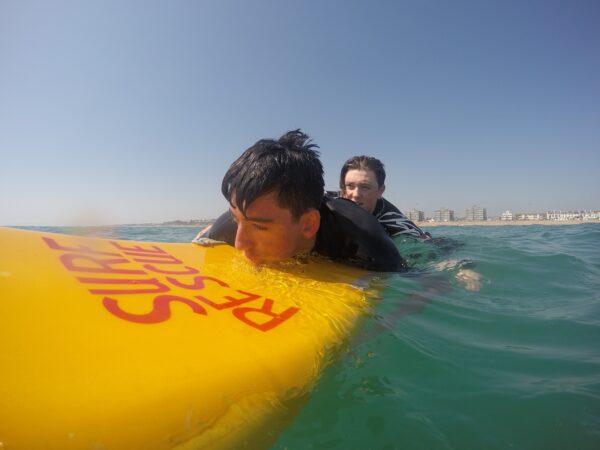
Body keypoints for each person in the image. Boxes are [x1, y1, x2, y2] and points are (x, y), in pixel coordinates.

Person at [194, 130, 406, 272]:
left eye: (259, 227)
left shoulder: (366, 240)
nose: (239, 244)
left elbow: (418, 284)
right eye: (236, 219)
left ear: (308, 224)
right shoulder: (229, 229)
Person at [339, 156, 431, 239]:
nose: (356, 194)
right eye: (350, 186)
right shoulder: (331, 204)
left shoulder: (397, 227)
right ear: (343, 189)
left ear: (380, 191)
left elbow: (429, 249)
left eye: (365, 187)